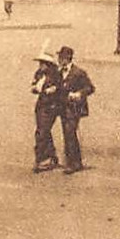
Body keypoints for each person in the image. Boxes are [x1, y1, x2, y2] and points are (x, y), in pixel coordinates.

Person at [56, 46, 95, 174]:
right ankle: (74, 161)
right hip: (63, 107)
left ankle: (73, 163)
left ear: (67, 59)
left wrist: (79, 93)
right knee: (68, 134)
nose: (59, 60)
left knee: (70, 132)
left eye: (61, 58)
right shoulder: (59, 72)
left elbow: (90, 88)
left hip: (75, 108)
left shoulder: (79, 73)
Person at [31, 52, 63, 172]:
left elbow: (60, 87)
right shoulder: (39, 74)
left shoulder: (56, 75)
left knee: (41, 132)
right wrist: (35, 88)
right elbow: (34, 85)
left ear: (48, 65)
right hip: (41, 105)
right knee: (43, 130)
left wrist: (53, 89)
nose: (40, 65)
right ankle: (51, 155)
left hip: (51, 106)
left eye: (42, 63)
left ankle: (40, 158)